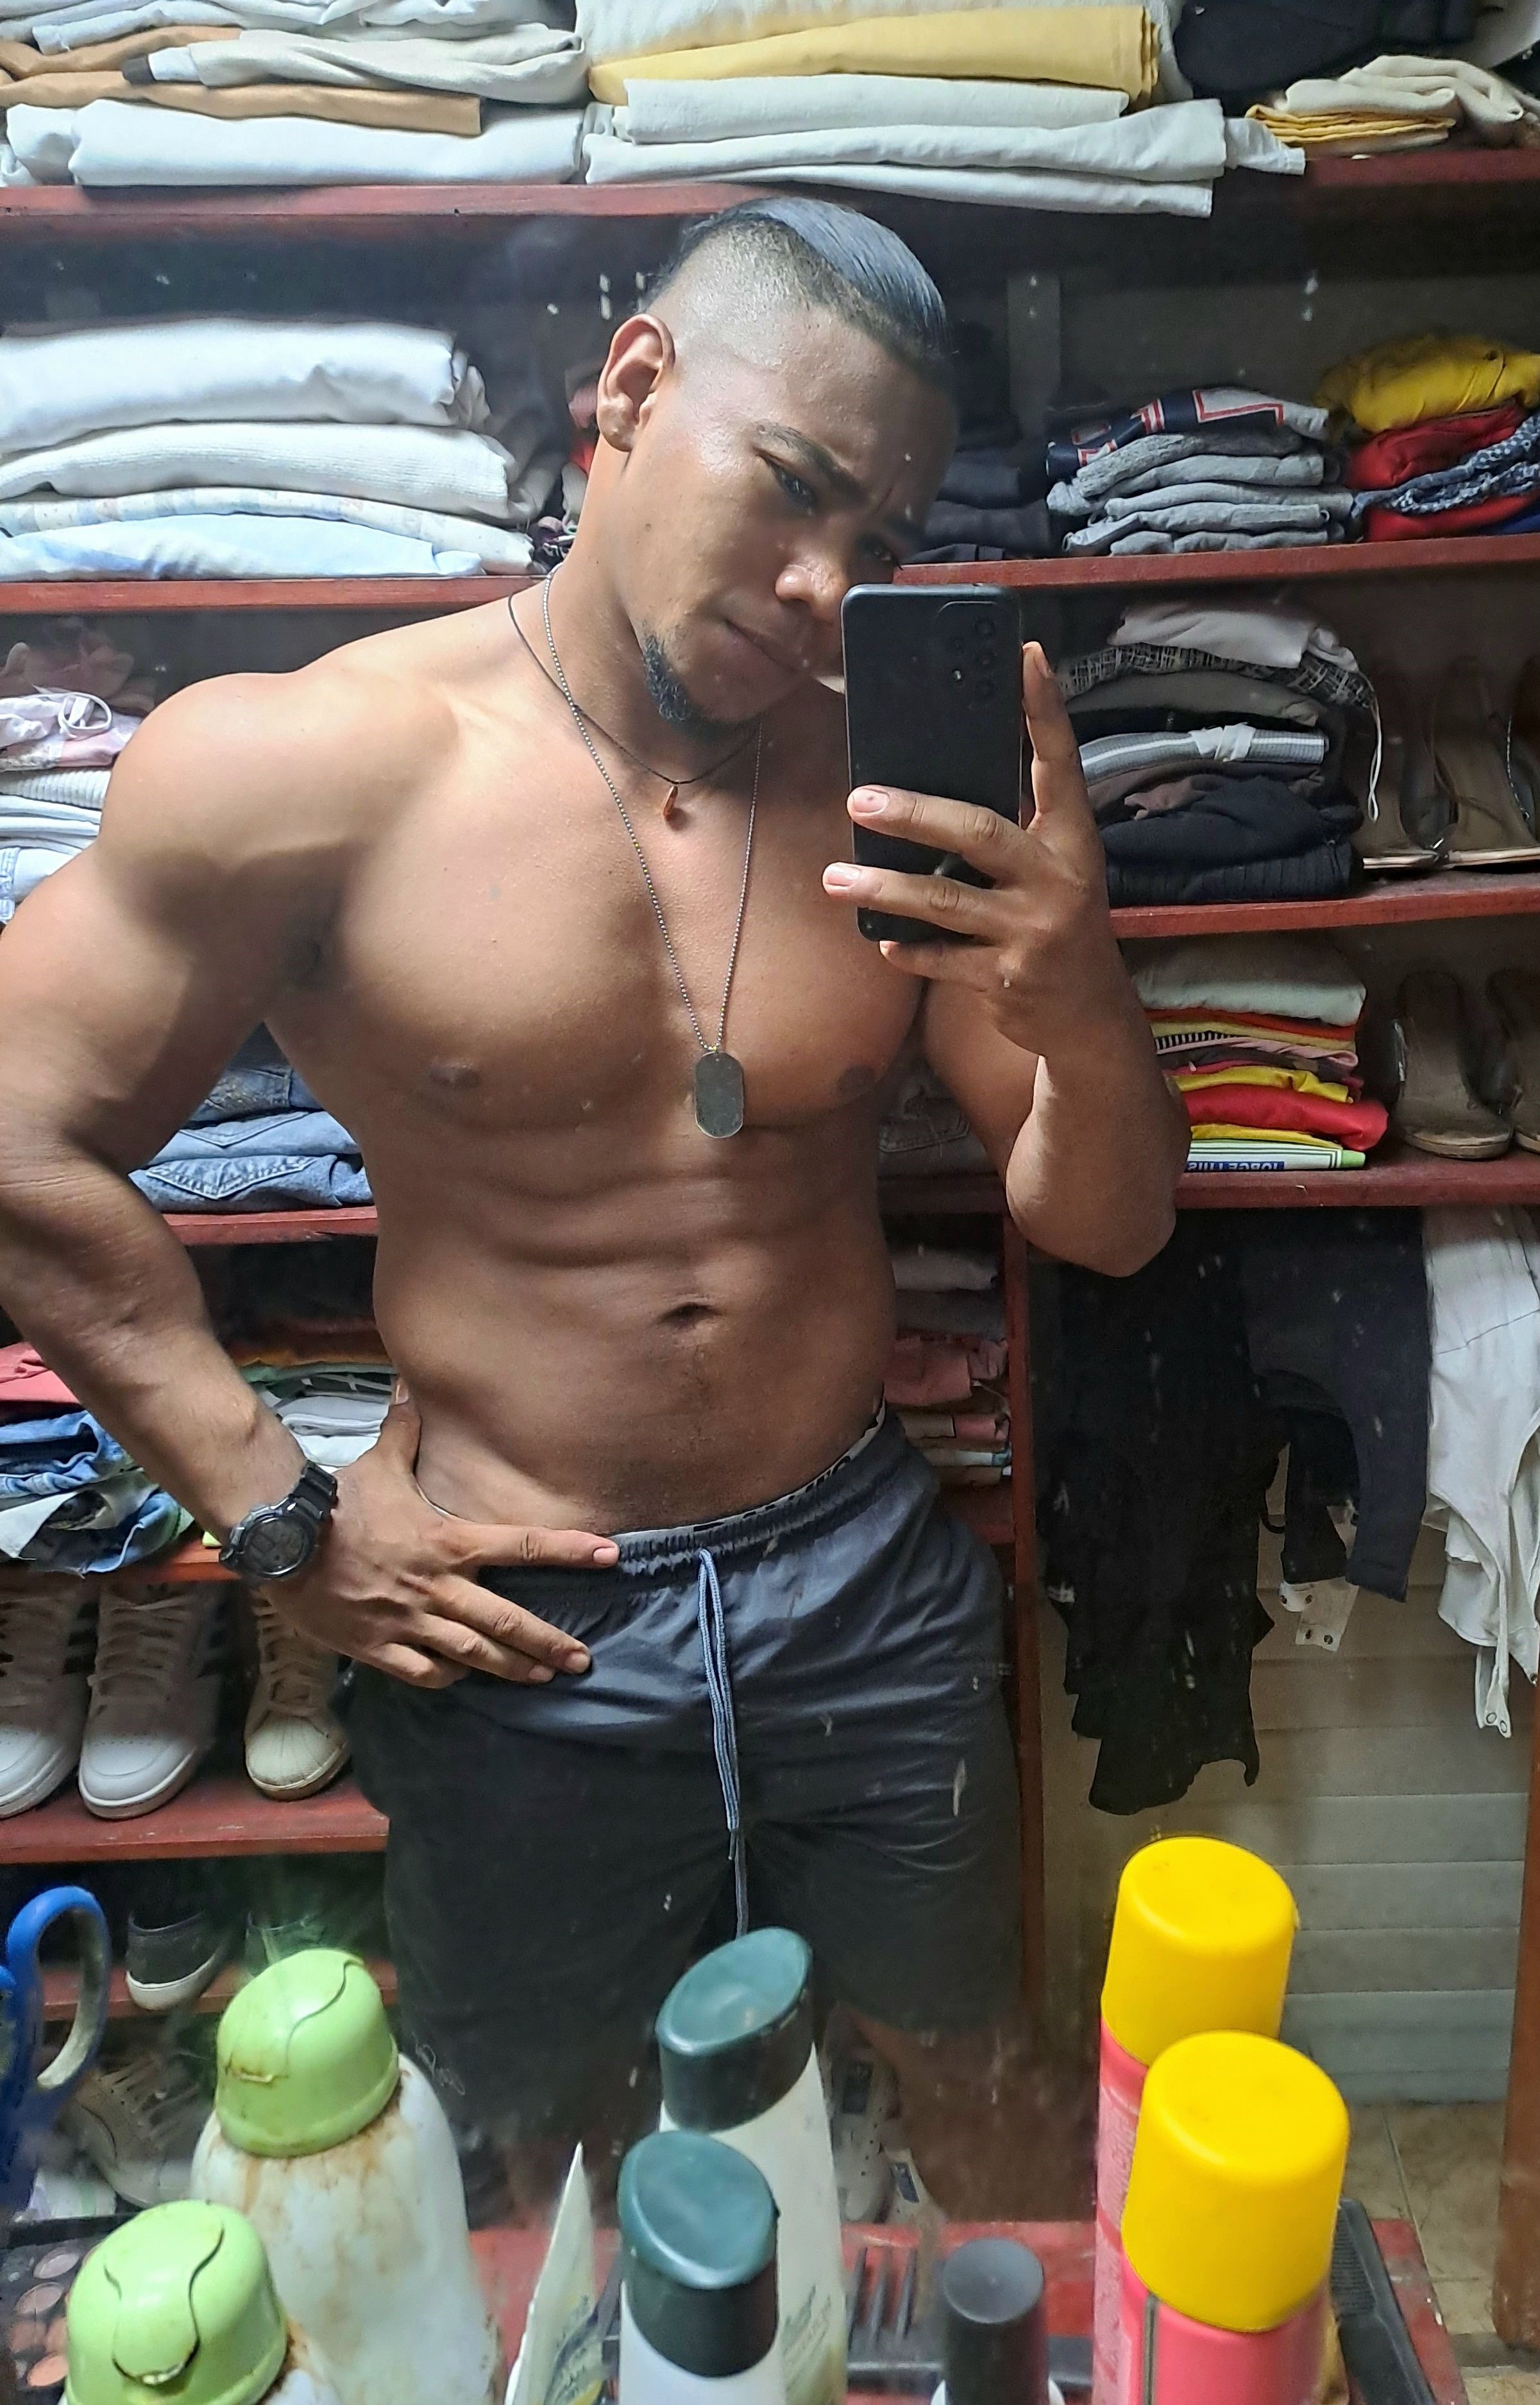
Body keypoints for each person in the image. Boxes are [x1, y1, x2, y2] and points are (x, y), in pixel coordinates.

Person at [0, 199, 1184, 2211]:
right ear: (631, 387)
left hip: (857, 1579)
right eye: (789, 487)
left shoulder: (896, 796)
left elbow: (1111, 1224)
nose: (824, 590)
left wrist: (1073, 992)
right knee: (536, 2151)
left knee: (978, 2085)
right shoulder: (306, 768)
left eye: (879, 546)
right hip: (514, 1610)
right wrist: (280, 1516)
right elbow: (24, 1138)